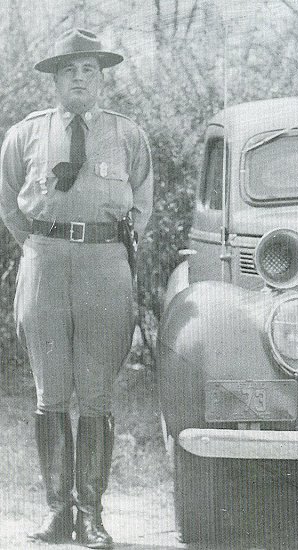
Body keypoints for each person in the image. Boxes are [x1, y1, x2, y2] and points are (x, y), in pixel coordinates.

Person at [0, 29, 153, 548]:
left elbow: (143, 205)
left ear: (102, 78)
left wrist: (105, 246)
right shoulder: (26, 135)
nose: (80, 78)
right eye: (70, 70)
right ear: (54, 79)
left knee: (94, 394)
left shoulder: (128, 135)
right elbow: (7, 203)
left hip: (105, 266)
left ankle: (90, 514)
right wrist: (41, 246)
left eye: (89, 69)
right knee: (49, 391)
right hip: (44, 263)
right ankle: (55, 511)